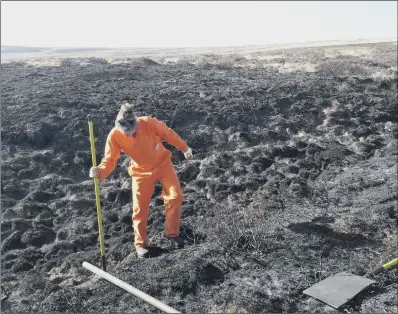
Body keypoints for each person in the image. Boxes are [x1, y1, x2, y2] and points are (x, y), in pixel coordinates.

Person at [89, 103, 193, 258]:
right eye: (123, 126)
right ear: (118, 124)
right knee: (139, 208)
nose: (128, 132)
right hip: (140, 172)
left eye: (130, 125)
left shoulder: (149, 123)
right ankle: (141, 244)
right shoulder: (114, 136)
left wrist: (185, 148)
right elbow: (109, 160)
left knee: (175, 196)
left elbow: (168, 134)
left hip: (163, 164)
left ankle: (172, 233)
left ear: (135, 120)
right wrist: (99, 172)